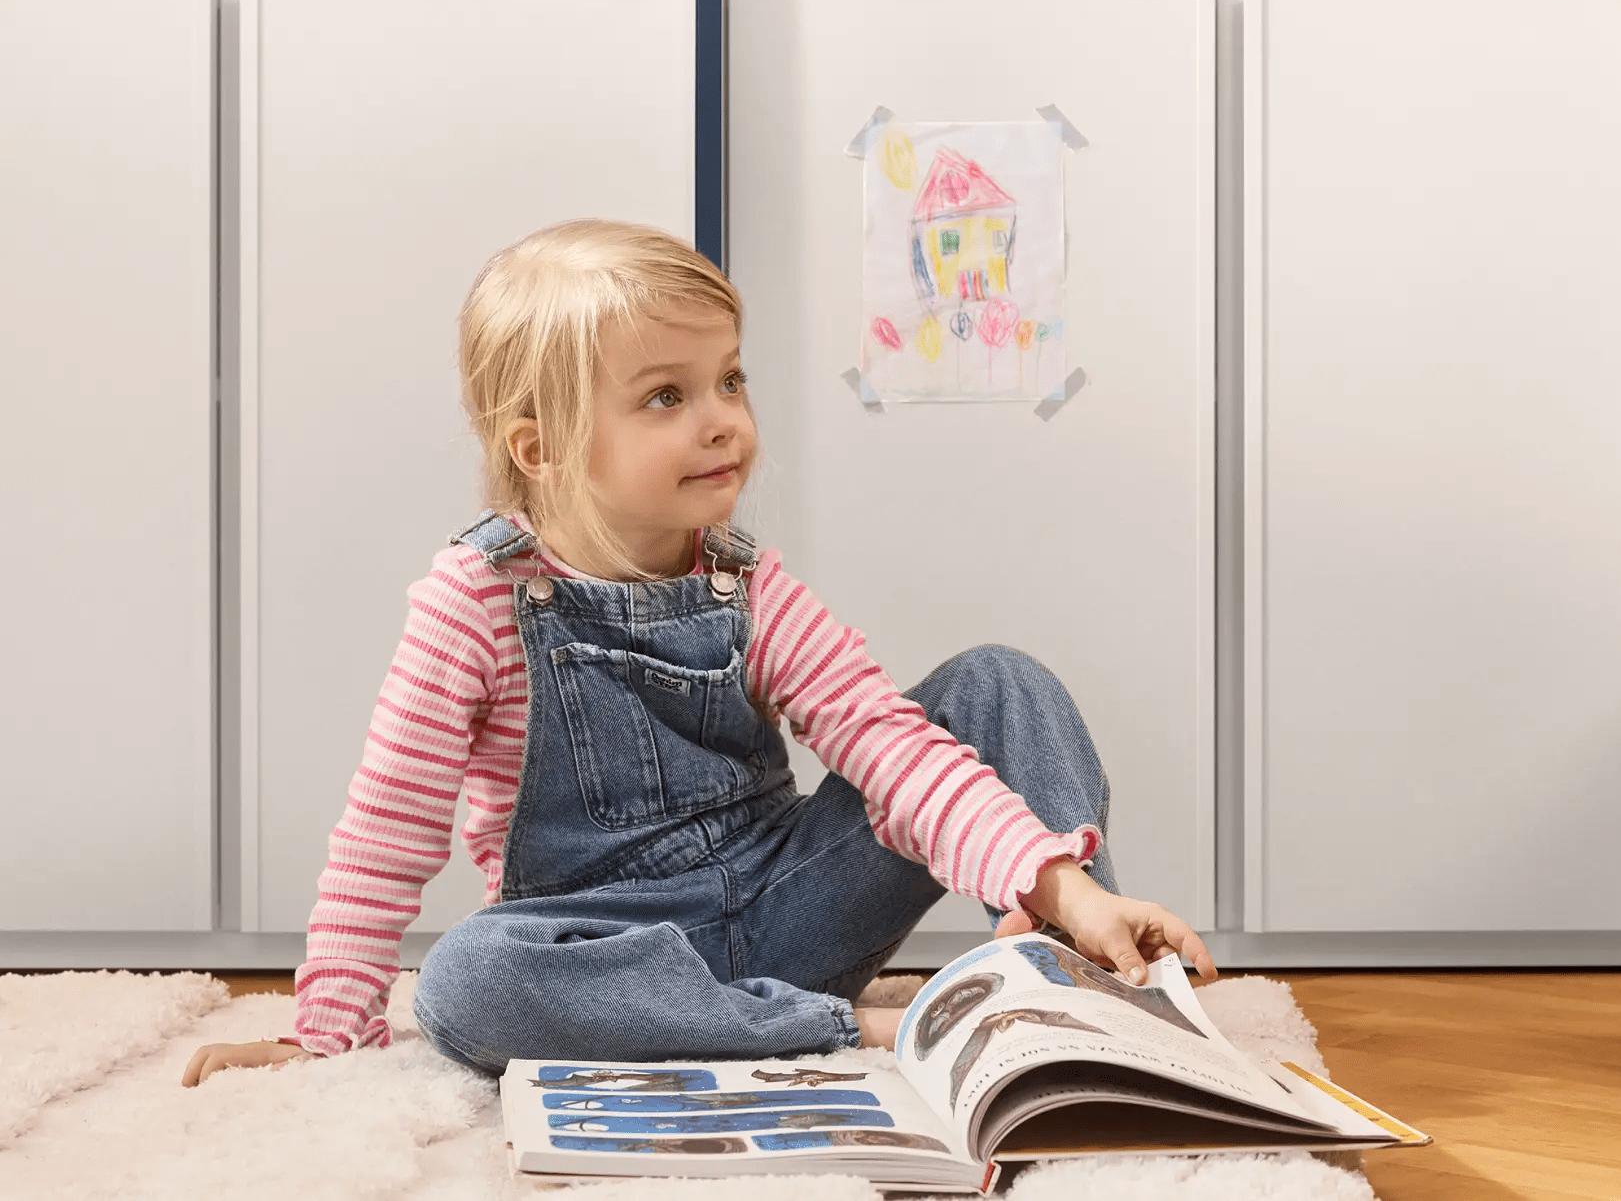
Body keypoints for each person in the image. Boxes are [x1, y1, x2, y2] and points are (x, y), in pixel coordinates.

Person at [183, 218, 1214, 1086]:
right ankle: (832, 1031)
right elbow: (386, 831)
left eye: (728, 379)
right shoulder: (472, 601)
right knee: (465, 981)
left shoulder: (746, 582)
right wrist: (325, 1037)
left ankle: (1077, 966)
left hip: (789, 907)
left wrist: (1059, 885)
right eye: (667, 397)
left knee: (996, 681)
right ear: (538, 448)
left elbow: (888, 747)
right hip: (603, 952)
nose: (723, 421)